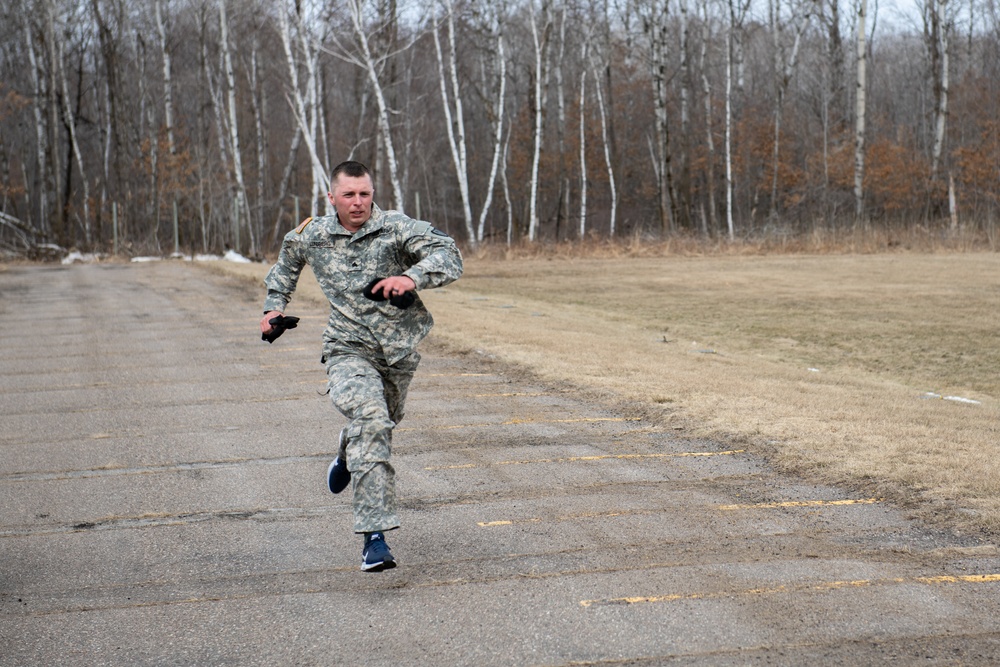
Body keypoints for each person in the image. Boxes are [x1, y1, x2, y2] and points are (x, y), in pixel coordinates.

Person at [260, 160, 463, 572]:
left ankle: (347, 451)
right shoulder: (311, 235)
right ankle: (375, 538)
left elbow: (449, 254)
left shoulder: (396, 227)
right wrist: (272, 309)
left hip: (398, 351)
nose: (358, 203)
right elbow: (284, 269)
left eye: (364, 194)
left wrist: (412, 277)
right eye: (349, 195)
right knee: (372, 421)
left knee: (383, 421)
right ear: (331, 197)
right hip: (346, 347)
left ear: (373, 194)